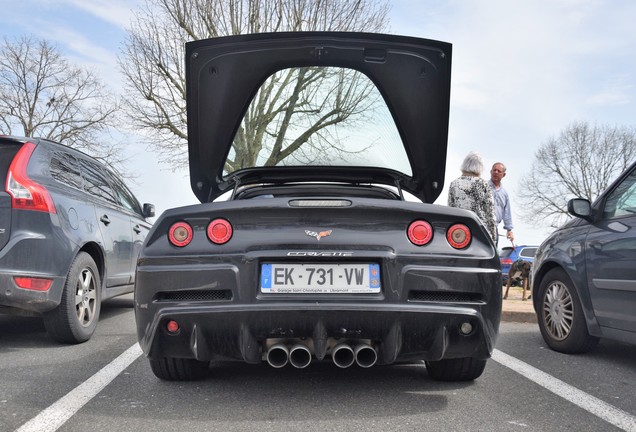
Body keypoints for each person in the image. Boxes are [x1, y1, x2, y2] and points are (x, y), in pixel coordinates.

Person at [448, 152, 497, 242]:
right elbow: (491, 214)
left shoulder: (454, 184)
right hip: (481, 233)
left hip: (460, 233)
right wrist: (493, 239)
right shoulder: (484, 185)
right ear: (480, 166)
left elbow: (450, 209)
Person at [489, 162, 514, 244]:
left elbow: (507, 212)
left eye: (499, 171)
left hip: (494, 228)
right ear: (491, 172)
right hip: (481, 226)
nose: (496, 172)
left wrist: (509, 230)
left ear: (503, 175)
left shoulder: (504, 193)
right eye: (494, 170)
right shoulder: (483, 187)